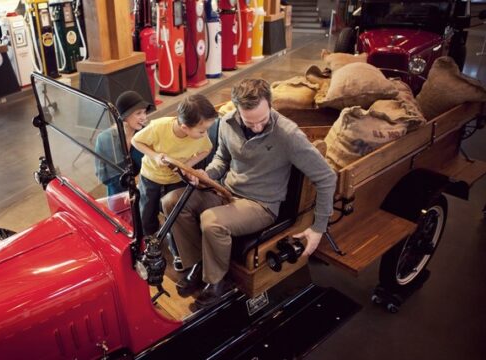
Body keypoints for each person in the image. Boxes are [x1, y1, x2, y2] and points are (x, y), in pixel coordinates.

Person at [161, 79, 337, 308]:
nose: (256, 127)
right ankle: (199, 263)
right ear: (237, 110)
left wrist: (319, 227)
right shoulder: (226, 123)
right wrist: (206, 175)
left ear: (270, 106)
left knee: (211, 222)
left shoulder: (289, 135)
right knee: (171, 201)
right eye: (249, 121)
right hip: (227, 191)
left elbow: (327, 177)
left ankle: (217, 283)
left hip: (261, 205)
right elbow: (222, 159)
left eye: (262, 120)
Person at [131, 94, 217, 237]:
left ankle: (173, 241)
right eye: (202, 131)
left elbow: (206, 149)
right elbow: (136, 141)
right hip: (151, 176)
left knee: (174, 212)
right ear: (184, 127)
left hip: (176, 179)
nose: (205, 134)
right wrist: (155, 156)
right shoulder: (159, 127)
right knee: (147, 211)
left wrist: (187, 165)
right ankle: (148, 240)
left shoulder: (201, 136)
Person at [95, 91, 150, 196]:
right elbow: (103, 176)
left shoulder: (147, 135)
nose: (144, 117)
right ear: (125, 116)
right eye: (138, 113)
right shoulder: (104, 140)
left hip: (144, 193)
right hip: (117, 195)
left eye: (144, 112)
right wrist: (130, 182)